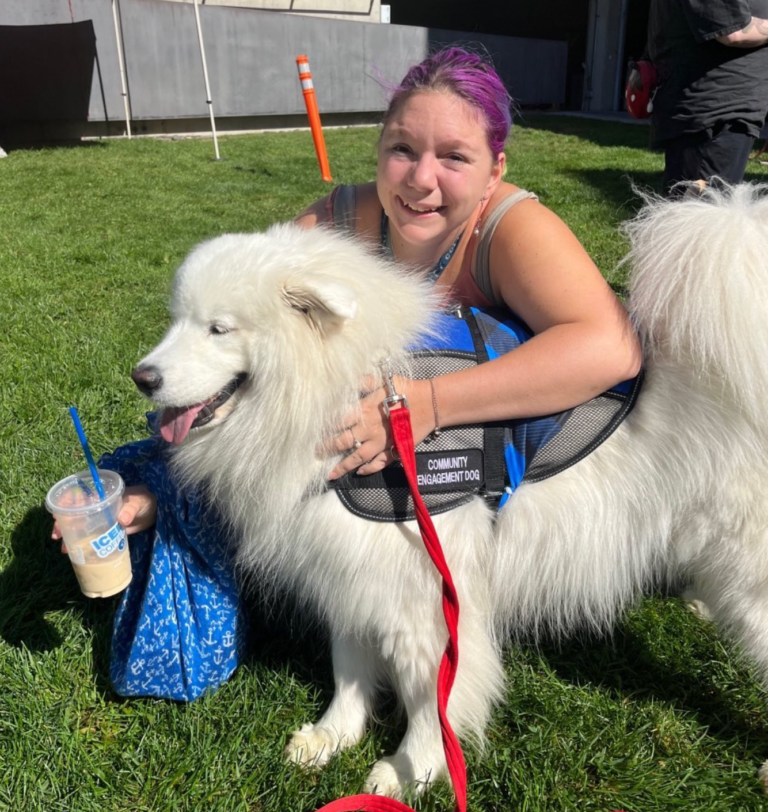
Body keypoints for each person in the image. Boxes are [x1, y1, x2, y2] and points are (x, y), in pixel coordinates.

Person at [52, 47, 642, 697]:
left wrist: (429, 405)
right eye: (402, 149)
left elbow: (610, 350)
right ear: (378, 150)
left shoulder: (512, 228)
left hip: (521, 443)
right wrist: (165, 488)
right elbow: (250, 338)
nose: (420, 179)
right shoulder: (338, 222)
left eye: (454, 156)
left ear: (496, 167)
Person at [647, 1, 768, 196]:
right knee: (699, 218)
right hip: (714, 116)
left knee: (705, 215)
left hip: (721, 112)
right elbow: (732, 31)